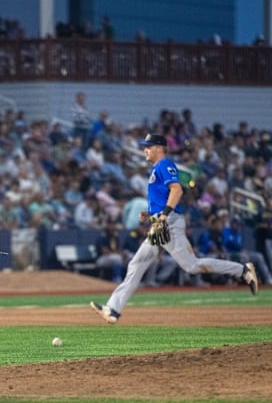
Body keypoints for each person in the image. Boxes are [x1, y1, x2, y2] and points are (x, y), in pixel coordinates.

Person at [90, 134, 259, 324]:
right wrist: (150, 214)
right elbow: (163, 198)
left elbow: (177, 190)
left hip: (168, 222)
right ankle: (113, 310)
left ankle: (242, 271)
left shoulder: (164, 164)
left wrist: (163, 215)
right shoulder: (157, 168)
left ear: (160, 147)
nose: (145, 149)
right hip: (160, 223)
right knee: (136, 264)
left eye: (149, 146)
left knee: (192, 266)